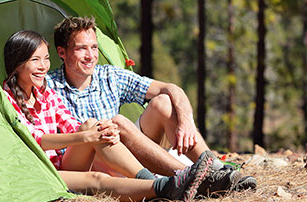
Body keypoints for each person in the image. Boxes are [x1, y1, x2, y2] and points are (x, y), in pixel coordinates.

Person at [1, 29, 240, 202]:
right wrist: (87, 137)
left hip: (102, 152)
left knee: (137, 111)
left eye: (94, 47)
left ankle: (208, 170)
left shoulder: (46, 91)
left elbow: (72, 123)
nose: (90, 55)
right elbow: (36, 139)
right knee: (102, 143)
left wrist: (96, 131)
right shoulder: (23, 92)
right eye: (35, 60)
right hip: (60, 164)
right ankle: (181, 179)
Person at [46, 16, 256, 191]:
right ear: (62, 52)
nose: (91, 56)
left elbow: (172, 89)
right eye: (81, 49)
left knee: (163, 102)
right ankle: (192, 177)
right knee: (112, 123)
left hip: (122, 157)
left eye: (94, 47)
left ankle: (214, 168)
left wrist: (187, 121)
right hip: (83, 164)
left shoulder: (109, 75)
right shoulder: (47, 85)